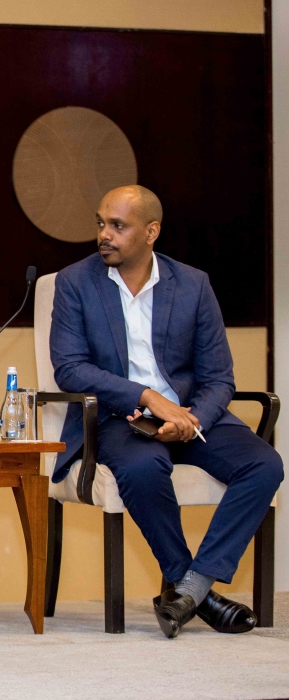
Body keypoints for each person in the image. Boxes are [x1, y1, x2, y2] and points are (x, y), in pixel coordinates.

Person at [50, 184, 283, 639]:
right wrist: (147, 398)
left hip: (189, 416)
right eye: (101, 223)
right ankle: (197, 589)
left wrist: (188, 419)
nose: (104, 235)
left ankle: (190, 589)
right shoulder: (75, 282)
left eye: (118, 225)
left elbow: (220, 377)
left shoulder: (192, 283)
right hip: (118, 417)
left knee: (264, 463)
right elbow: (71, 370)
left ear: (151, 231)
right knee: (142, 468)